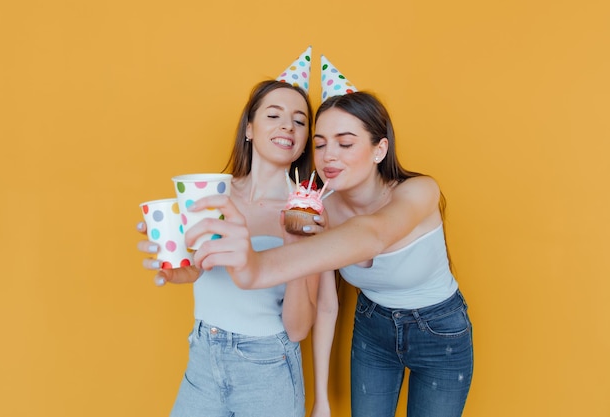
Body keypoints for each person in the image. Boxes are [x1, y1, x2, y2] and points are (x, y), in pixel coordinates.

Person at [186, 57, 474, 417]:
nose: (329, 156)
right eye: (320, 144)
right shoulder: (315, 208)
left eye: (345, 142)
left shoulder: (420, 192)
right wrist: (321, 399)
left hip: (440, 329)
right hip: (373, 327)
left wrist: (258, 267)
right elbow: (325, 304)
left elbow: (372, 234)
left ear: (379, 150)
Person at [137, 56, 323, 415]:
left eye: (299, 121)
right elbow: (197, 268)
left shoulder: (306, 210)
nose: (288, 126)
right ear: (249, 128)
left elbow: (298, 329)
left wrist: (297, 249)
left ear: (303, 143)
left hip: (269, 366)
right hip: (204, 354)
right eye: (274, 115)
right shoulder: (208, 195)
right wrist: (182, 269)